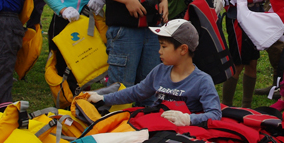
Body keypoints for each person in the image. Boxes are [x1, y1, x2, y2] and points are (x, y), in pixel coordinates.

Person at [86, 19, 222, 126]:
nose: (159, 51)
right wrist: (103, 98)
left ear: (183, 49)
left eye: (164, 46)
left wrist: (188, 119)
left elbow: (215, 114)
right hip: (154, 126)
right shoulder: (160, 71)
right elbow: (136, 92)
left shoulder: (202, 81)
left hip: (179, 136)